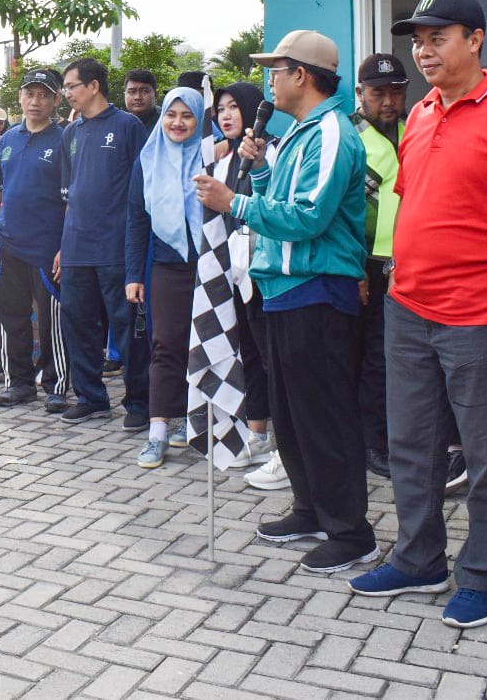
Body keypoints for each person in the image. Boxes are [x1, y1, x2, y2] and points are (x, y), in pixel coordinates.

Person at [350, 0, 487, 629]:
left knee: (486, 456)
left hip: (481, 317)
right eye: (418, 40)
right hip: (409, 309)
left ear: (475, 39)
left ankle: (483, 576)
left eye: (437, 37)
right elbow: (412, 203)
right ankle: (418, 560)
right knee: (411, 445)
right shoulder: (418, 115)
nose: (424, 51)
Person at [197, 30, 374, 576]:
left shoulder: (333, 132)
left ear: (301, 75)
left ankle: (351, 533)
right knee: (294, 415)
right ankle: (311, 509)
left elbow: (311, 217)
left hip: (318, 289)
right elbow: (286, 199)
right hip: (283, 289)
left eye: (276, 70)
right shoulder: (301, 131)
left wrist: (235, 202)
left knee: (324, 415)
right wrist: (261, 172)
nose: (269, 81)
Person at [57, 57, 148, 427]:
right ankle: (91, 398)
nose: (67, 94)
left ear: (93, 86)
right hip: (76, 248)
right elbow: (69, 194)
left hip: (116, 246)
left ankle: (140, 404)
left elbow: (143, 188)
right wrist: (63, 245)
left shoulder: (128, 126)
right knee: (79, 325)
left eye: (71, 86)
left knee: (127, 328)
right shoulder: (70, 133)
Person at [124, 87, 205, 468]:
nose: (178, 122)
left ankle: (193, 420)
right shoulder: (148, 159)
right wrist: (133, 275)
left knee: (202, 345)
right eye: (171, 114)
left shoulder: (210, 157)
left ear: (199, 119)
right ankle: (157, 432)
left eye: (187, 115)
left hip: (209, 265)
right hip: (166, 265)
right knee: (165, 345)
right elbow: (136, 220)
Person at [0, 69, 68, 412]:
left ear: (56, 99)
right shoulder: (7, 139)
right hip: (8, 244)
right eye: (30, 94)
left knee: (52, 322)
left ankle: (56, 386)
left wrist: (65, 245)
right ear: (19, 98)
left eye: (44, 95)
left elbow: (72, 198)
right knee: (11, 317)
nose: (36, 102)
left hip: (48, 247)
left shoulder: (64, 139)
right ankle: (18, 384)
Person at [212, 82, 276, 481]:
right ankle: (258, 434)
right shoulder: (224, 160)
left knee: (272, 356)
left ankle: (286, 446)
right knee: (249, 352)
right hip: (235, 272)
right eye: (221, 109)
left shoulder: (271, 151)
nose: (226, 115)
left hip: (267, 272)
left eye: (235, 106)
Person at [351, 52, 409, 478]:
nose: (388, 101)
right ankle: (372, 443)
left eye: (395, 92)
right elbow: (343, 211)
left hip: (408, 262)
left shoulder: (415, 129)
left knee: (396, 357)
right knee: (371, 356)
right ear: (360, 93)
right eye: (377, 93)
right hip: (365, 264)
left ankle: (393, 438)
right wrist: (356, 268)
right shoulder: (348, 136)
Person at [123, 69, 159, 136]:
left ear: (156, 95)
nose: (138, 97)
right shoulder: (118, 123)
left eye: (144, 91)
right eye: (132, 92)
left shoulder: (166, 122)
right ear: (124, 95)